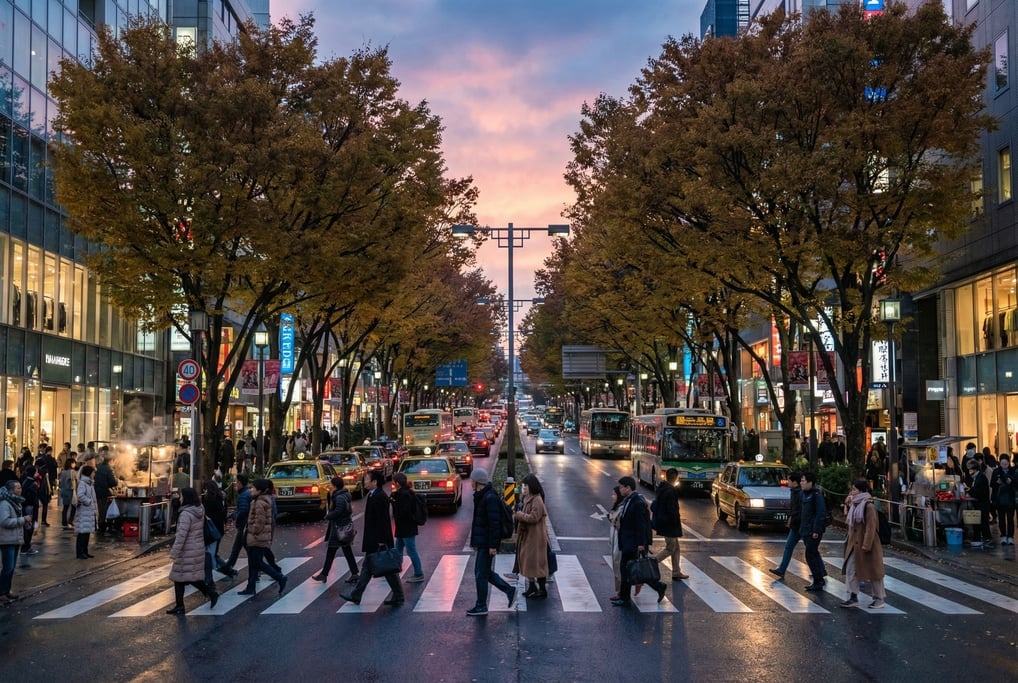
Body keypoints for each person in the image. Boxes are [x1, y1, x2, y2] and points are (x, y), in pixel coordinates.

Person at [339, 471, 404, 606]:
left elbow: (383, 520)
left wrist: (382, 539)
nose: (365, 481)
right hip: (373, 538)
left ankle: (396, 594)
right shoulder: (372, 495)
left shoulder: (380, 497)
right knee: (374, 567)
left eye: (367, 479)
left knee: (385, 567)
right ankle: (358, 594)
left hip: (378, 539)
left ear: (374, 482)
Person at [465, 467, 516, 616]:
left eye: (472, 480)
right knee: (483, 572)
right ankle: (509, 590)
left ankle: (481, 605)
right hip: (483, 541)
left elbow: (494, 524)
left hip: (487, 543)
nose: (470, 482)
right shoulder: (482, 495)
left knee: (481, 574)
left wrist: (493, 545)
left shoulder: (489, 498)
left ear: (478, 481)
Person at [612, 476, 667, 607]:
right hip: (627, 541)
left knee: (629, 570)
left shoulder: (637, 502)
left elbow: (642, 525)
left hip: (633, 543)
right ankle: (658, 586)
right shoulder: (629, 500)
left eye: (621, 487)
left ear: (628, 488)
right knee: (631, 570)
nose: (619, 490)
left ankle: (625, 598)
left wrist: (641, 544)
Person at [166, 487, 219, 614]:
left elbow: (181, 536)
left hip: (187, 550)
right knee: (184, 577)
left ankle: (209, 593)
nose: (180, 498)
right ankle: (182, 605)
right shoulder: (199, 509)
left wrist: (174, 552)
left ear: (186, 497)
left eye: (181, 496)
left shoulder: (186, 514)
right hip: (197, 547)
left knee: (183, 577)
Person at [839, 480, 887, 609]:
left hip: (867, 545)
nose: (852, 492)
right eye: (852, 490)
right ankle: (853, 596)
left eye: (854, 490)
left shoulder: (869, 506)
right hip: (854, 544)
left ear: (862, 491)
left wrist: (866, 545)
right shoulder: (854, 504)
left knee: (874, 572)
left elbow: (871, 527)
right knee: (850, 569)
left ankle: (879, 598)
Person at [238, 479, 287, 596]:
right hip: (259, 537)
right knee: (253, 562)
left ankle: (279, 577)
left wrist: (252, 531)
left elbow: (260, 522)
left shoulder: (259, 502)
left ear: (259, 490)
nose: (251, 490)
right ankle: (251, 587)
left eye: (253, 488)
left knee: (257, 562)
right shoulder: (260, 500)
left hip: (257, 537)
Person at [311, 476, 360, 584]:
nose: (330, 486)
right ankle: (354, 573)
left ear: (335, 486)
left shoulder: (339, 497)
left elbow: (339, 511)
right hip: (342, 527)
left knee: (332, 551)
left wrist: (328, 516)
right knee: (346, 551)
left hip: (339, 528)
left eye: (331, 485)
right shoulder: (344, 495)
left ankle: (324, 574)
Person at [514, 473, 550, 599]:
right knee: (528, 562)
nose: (524, 488)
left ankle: (541, 589)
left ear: (531, 486)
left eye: (525, 486)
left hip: (535, 537)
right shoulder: (528, 498)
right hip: (528, 535)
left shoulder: (537, 500)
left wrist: (519, 515)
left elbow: (534, 517)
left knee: (537, 563)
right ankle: (532, 586)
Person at [651, 468, 688, 581]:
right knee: (670, 548)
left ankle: (676, 571)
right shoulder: (670, 491)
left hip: (665, 522)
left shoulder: (662, 488)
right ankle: (652, 563)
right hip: (670, 525)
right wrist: (675, 522)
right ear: (676, 477)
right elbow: (671, 510)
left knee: (676, 547)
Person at [390, 472, 425, 583]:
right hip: (403, 528)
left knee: (411, 551)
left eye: (394, 482)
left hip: (407, 528)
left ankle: (419, 573)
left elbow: (403, 512)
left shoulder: (404, 495)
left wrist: (394, 503)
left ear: (398, 483)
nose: (393, 484)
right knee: (398, 549)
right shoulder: (407, 492)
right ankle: (395, 569)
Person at [0, 480, 32, 604]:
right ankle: (2, 592)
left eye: (20, 487)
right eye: (17, 488)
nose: (20, 490)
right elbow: (4, 521)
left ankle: (6, 590)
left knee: (11, 567)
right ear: (11, 490)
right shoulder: (5, 504)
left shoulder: (15, 502)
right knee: (8, 567)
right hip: (7, 539)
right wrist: (22, 520)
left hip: (14, 538)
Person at [769, 471, 802, 580]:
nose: (787, 482)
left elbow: (798, 510)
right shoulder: (794, 491)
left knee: (811, 551)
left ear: (795, 482)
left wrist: (791, 518)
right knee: (789, 547)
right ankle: (782, 569)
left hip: (801, 525)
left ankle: (820, 571)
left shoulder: (799, 493)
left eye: (789, 480)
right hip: (797, 525)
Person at [799, 472, 828, 592]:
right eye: (801, 481)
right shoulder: (804, 494)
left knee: (810, 554)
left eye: (803, 481)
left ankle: (818, 580)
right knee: (813, 553)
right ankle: (819, 577)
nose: (801, 483)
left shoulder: (816, 495)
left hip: (813, 530)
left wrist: (816, 530)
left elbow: (820, 513)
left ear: (811, 482)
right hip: (805, 529)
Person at [220, 474, 250, 575]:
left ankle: (274, 572)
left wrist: (234, 517)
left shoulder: (243, 495)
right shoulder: (246, 493)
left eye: (236, 482)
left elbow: (243, 510)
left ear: (240, 483)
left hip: (244, 526)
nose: (235, 484)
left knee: (243, 549)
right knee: (237, 548)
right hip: (245, 526)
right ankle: (228, 566)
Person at [201, 480, 229, 583]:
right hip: (218, 529)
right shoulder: (221, 498)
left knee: (209, 554)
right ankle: (228, 570)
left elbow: (206, 514)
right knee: (213, 553)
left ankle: (209, 579)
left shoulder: (209, 501)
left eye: (205, 489)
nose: (204, 491)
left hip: (211, 531)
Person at [991, 454, 1017, 544]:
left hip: (1010, 498)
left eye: (1006, 464)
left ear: (1009, 463)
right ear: (1000, 463)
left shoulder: (1013, 471)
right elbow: (991, 484)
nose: (1004, 466)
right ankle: (1003, 536)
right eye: (1002, 464)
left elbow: (1016, 484)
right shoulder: (996, 471)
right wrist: (997, 482)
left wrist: (1011, 481)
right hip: (999, 499)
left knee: (1010, 519)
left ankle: (1010, 537)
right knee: (1001, 519)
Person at [968, 459, 994, 548]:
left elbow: (978, 492)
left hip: (982, 504)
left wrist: (969, 490)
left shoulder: (981, 477)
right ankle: (980, 539)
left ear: (974, 469)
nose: (969, 471)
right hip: (980, 503)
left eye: (970, 469)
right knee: (980, 522)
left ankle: (986, 539)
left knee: (983, 522)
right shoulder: (977, 477)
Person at [74, 465, 97, 559]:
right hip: (84, 511)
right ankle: (80, 552)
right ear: (89, 473)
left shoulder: (89, 483)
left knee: (86, 533)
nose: (94, 474)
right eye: (93, 472)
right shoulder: (83, 483)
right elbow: (80, 495)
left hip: (88, 512)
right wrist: (89, 501)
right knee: (82, 533)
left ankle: (85, 551)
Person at [94, 452, 118, 534]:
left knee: (100, 509)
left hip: (97, 491)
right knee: (107, 510)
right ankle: (107, 526)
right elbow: (113, 482)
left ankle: (100, 525)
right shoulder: (109, 469)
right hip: (105, 492)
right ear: (111, 460)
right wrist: (117, 480)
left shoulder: (98, 466)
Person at [607, 486, 624, 600]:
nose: (612, 496)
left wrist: (613, 520)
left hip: (619, 541)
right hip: (615, 540)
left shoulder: (622, 508)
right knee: (616, 564)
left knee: (618, 563)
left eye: (614, 494)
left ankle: (620, 592)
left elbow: (619, 524)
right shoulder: (617, 507)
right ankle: (618, 591)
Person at [19, 465, 39, 555]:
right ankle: (26, 547)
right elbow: (33, 498)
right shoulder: (32, 484)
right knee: (29, 527)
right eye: (36, 472)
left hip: (26, 506)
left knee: (27, 527)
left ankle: (26, 546)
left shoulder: (25, 481)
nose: (37, 474)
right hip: (30, 507)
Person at [59, 457, 77, 529]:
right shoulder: (72, 472)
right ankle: (70, 521)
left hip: (63, 490)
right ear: (71, 464)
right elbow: (73, 481)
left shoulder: (63, 472)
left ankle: (64, 521)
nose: (75, 464)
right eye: (74, 463)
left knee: (65, 507)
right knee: (73, 506)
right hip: (70, 491)